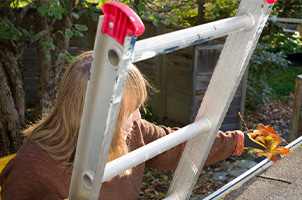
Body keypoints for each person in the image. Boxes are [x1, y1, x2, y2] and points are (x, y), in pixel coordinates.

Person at [0, 51, 263, 200]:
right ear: (95, 115)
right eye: (128, 110)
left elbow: (181, 143)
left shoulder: (132, 133)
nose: (138, 118)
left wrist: (242, 140)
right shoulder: (34, 170)